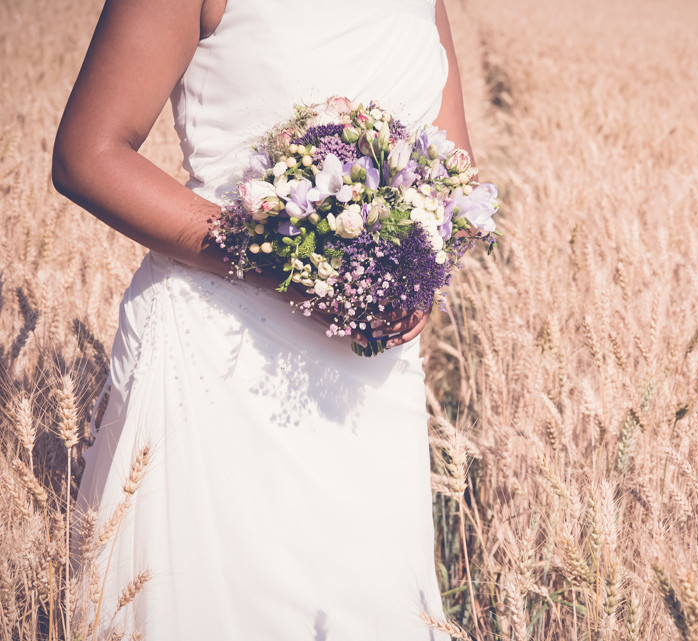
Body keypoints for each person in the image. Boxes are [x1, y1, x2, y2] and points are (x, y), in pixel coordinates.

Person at [52, 0, 470, 638]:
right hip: (217, 366)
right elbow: (88, 153)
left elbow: (455, 174)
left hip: (373, 383)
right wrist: (280, 263)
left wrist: (416, 274)